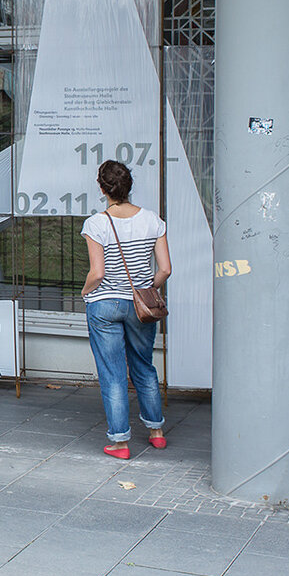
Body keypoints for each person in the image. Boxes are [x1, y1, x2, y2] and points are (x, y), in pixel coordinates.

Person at [80, 159, 171, 459]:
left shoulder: (96, 223)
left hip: (105, 304)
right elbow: (166, 269)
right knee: (144, 366)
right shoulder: (152, 220)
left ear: (102, 188)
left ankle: (120, 442)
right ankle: (156, 431)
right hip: (139, 305)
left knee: (113, 373)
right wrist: (150, 288)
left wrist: (84, 292)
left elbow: (97, 273)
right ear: (129, 186)